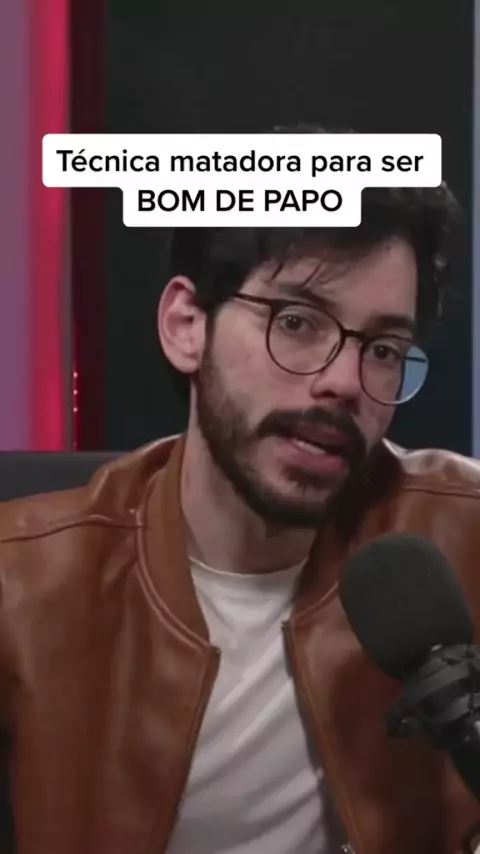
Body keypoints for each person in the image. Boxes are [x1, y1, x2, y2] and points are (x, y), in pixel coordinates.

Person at [1, 173, 480, 854]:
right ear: (186, 327)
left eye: (383, 351)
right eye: (297, 322)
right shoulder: (23, 586)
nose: (345, 382)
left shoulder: (462, 535)